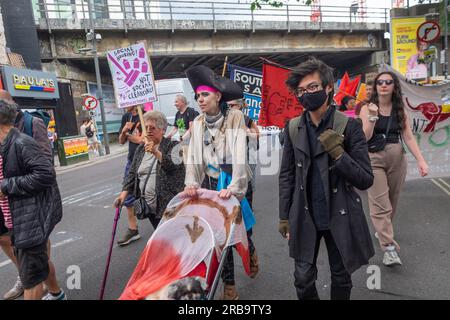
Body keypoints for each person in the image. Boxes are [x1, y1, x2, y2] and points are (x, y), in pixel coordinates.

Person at [279, 58, 375, 300]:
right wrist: (284, 216)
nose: (306, 95)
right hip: (304, 214)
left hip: (339, 213)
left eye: (312, 87)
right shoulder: (292, 128)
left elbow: (365, 179)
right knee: (302, 279)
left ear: (328, 87)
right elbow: (287, 175)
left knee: (341, 278)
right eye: (300, 91)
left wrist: (339, 154)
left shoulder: (349, 126)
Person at [183, 65, 255, 300]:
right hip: (214, 185)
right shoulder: (199, 123)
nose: (200, 100)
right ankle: (229, 285)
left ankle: (251, 248)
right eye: (197, 96)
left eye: (204, 94)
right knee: (221, 238)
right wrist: (192, 183)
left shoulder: (235, 117)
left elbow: (239, 155)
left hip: (237, 180)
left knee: (245, 231)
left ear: (218, 95)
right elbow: (194, 157)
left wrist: (234, 188)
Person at [359, 71, 429, 266]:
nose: (383, 85)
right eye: (380, 82)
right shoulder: (366, 108)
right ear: (375, 87)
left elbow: (408, 137)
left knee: (392, 201)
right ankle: (389, 248)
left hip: (397, 158)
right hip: (374, 159)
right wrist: (372, 118)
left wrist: (421, 160)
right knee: (380, 204)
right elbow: (364, 137)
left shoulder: (400, 110)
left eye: (388, 82)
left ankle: (382, 229)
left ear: (394, 86)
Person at [0, 99, 65, 300]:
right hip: (17, 218)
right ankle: (57, 295)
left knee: (31, 279)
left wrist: (5, 186)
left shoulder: (21, 142)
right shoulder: (5, 144)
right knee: (36, 268)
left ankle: (56, 294)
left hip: (30, 219)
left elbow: (46, 174)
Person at [114, 110, 185, 229]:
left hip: (169, 206)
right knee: (160, 238)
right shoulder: (141, 148)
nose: (148, 130)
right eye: (146, 127)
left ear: (163, 130)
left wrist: (156, 152)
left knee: (173, 237)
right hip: (150, 207)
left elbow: (174, 167)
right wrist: (122, 196)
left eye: (152, 128)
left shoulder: (174, 145)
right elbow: (132, 175)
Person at [117, 106, 144, 246]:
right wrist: (123, 132)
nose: (123, 104)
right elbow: (121, 141)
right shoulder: (126, 117)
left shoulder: (145, 115)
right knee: (127, 195)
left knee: (152, 194)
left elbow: (144, 140)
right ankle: (133, 229)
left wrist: (130, 136)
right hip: (131, 160)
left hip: (146, 159)